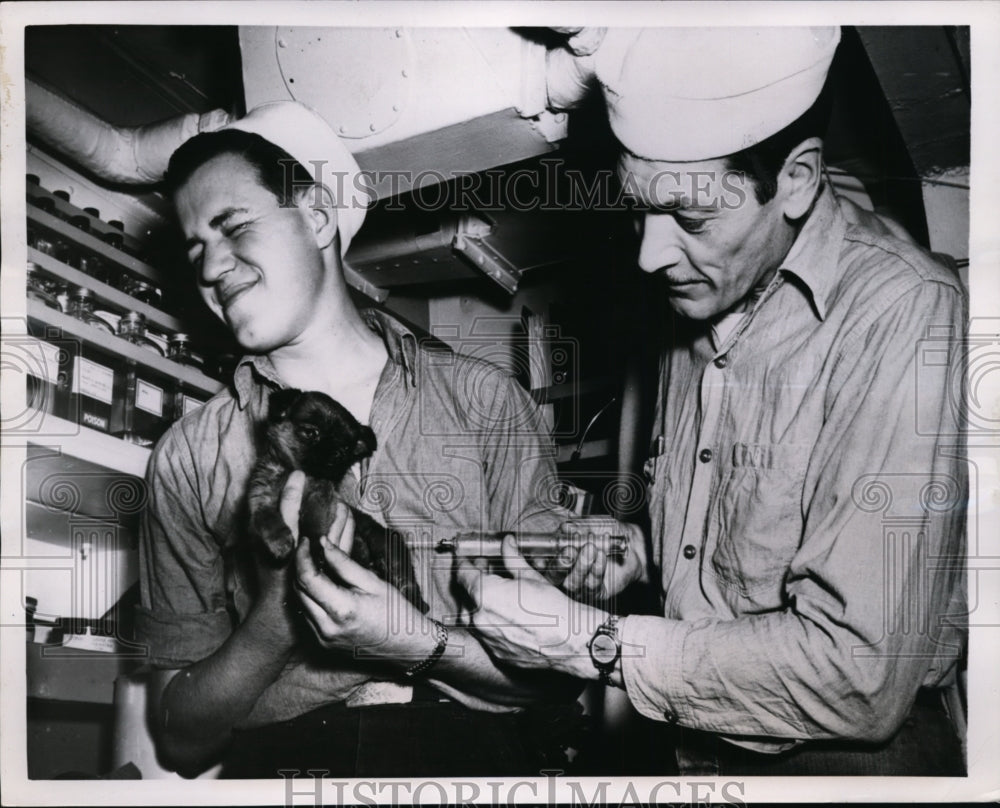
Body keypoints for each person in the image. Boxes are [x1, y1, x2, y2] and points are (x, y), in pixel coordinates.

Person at [456, 27, 968, 776]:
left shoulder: (903, 309)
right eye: (639, 211)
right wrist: (638, 555)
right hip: (696, 730)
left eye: (691, 219)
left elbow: (859, 678)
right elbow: (730, 553)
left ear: (796, 179)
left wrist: (585, 643)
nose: (649, 254)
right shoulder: (700, 296)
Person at [135, 101, 585, 779]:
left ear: (317, 215)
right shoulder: (186, 458)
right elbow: (181, 738)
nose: (211, 266)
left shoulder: (487, 403)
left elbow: (555, 677)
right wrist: (276, 619)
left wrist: (412, 642)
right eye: (195, 247)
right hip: (283, 772)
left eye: (234, 226)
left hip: (468, 767)